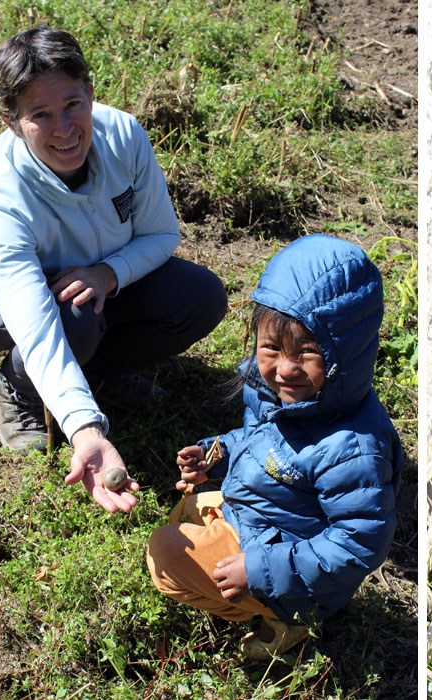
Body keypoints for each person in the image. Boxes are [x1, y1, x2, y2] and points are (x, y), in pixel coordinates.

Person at [0, 28, 227, 513]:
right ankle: (17, 385)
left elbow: (161, 236)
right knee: (69, 322)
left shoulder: (123, 136)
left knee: (200, 297)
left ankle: (94, 372)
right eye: (40, 115)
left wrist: (108, 274)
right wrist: (86, 429)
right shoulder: (1, 189)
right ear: (11, 122)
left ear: (91, 92)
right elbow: (34, 323)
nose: (65, 128)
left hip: (92, 280)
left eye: (73, 104)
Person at [146, 234, 403, 659]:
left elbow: (358, 543)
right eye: (271, 348)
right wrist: (218, 455)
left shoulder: (353, 448)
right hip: (265, 517)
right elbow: (262, 438)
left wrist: (262, 570)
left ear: (346, 356)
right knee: (187, 510)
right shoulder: (283, 394)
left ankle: (287, 622)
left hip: (292, 572)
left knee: (167, 555)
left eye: (307, 352)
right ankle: (235, 554)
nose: (285, 368)